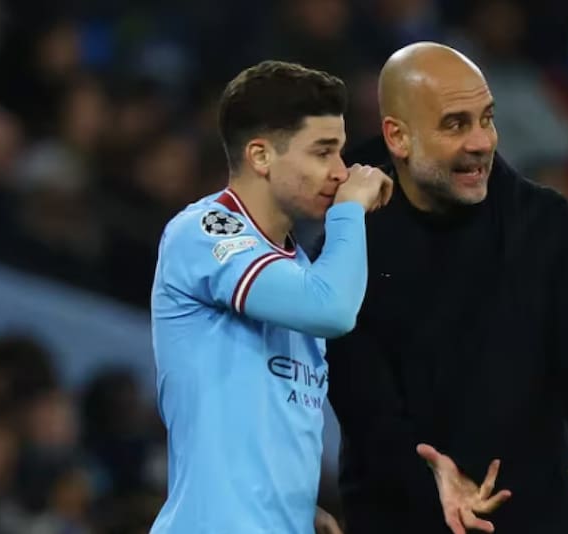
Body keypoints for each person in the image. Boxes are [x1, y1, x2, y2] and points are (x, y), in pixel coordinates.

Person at [326, 42, 568, 534]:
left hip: (535, 517)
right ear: (398, 137)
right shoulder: (347, 227)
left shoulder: (548, 224)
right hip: (398, 518)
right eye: (455, 124)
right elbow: (364, 403)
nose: (481, 141)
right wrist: (429, 479)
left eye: (487, 118)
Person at [149, 60, 392, 534]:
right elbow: (334, 310)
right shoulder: (203, 231)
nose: (341, 173)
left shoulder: (298, 270)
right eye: (323, 152)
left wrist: (295, 513)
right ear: (260, 156)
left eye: (341, 153)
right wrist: (349, 214)